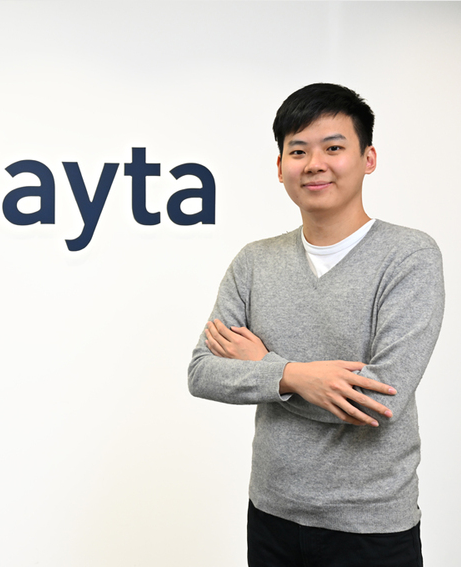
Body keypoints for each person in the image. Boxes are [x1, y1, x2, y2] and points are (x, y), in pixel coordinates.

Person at [187, 83, 444, 567]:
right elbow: (202, 373)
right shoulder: (254, 262)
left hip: (370, 525)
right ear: (280, 166)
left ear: (368, 158)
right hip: (272, 514)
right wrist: (294, 376)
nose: (314, 164)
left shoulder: (409, 256)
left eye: (333, 148)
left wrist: (265, 367)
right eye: (298, 150)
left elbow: (379, 399)